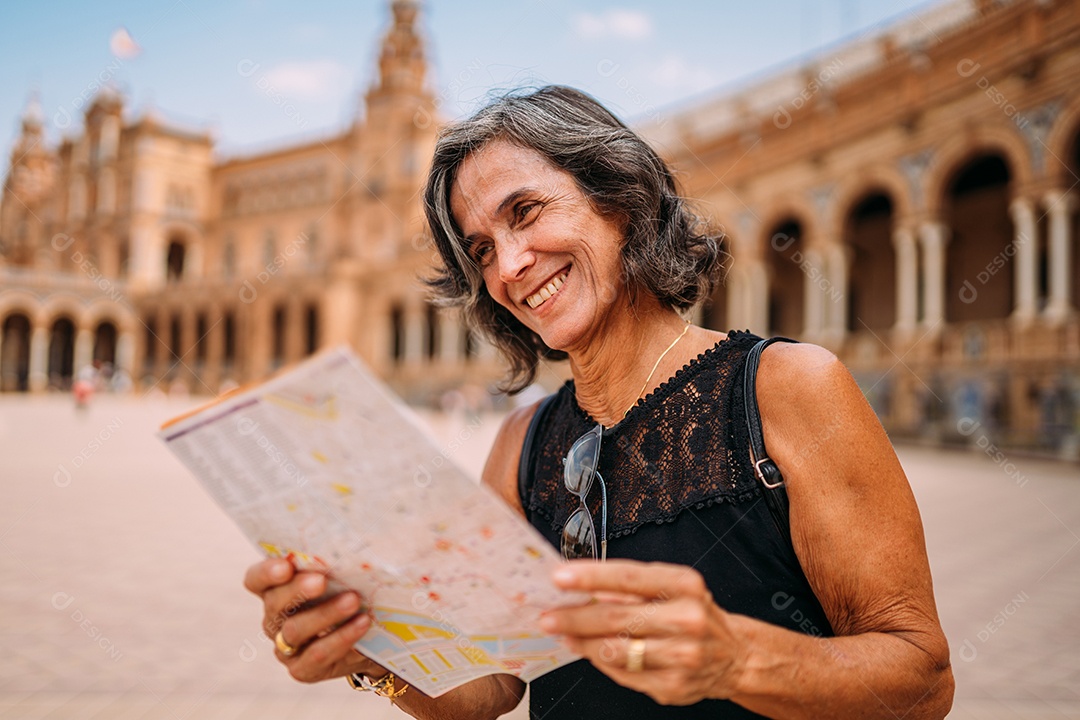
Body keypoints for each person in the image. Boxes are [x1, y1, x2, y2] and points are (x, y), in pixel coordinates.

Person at [244, 86, 954, 719]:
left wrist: (739, 659)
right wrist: (375, 652)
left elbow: (921, 679)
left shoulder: (786, 388)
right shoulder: (522, 446)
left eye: (525, 212)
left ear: (618, 198)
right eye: (482, 250)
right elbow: (489, 688)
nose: (511, 266)